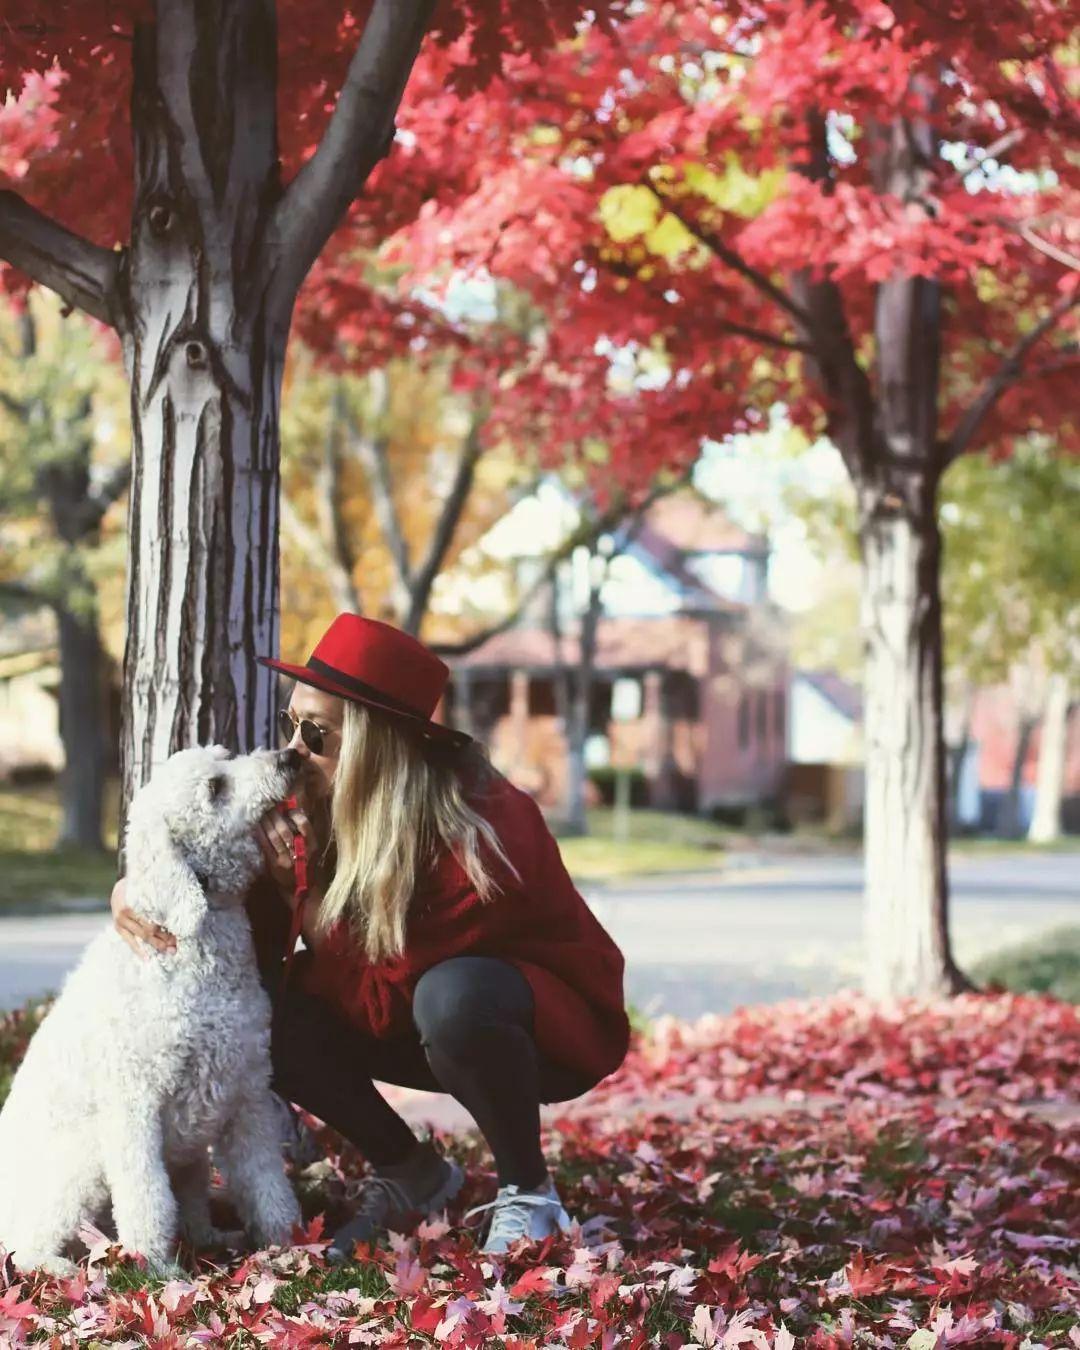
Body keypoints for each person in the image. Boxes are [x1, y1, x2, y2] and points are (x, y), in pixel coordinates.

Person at [111, 614, 630, 1258]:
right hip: (416, 1014)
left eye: (317, 733)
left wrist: (300, 896)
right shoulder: (312, 803)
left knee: (453, 998)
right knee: (261, 1005)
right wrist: (135, 889)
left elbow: (398, 987)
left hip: (530, 1029)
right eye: (290, 724)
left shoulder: (481, 831)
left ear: (377, 745)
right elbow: (244, 945)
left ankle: (530, 1192)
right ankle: (411, 1171)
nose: (295, 750)